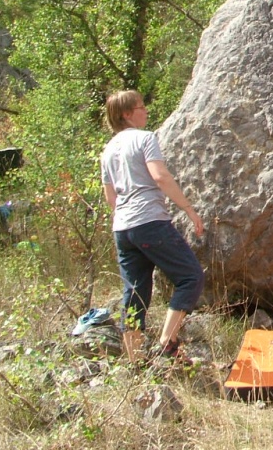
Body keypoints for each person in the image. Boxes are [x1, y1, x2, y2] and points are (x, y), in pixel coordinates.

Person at [100, 90, 205, 362]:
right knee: (191, 276)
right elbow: (160, 176)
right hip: (149, 220)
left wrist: (126, 219)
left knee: (135, 292)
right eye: (141, 107)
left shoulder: (108, 150)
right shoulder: (145, 138)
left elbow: (111, 198)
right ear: (127, 114)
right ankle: (167, 343)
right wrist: (189, 209)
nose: (145, 111)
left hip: (122, 228)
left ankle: (135, 361)